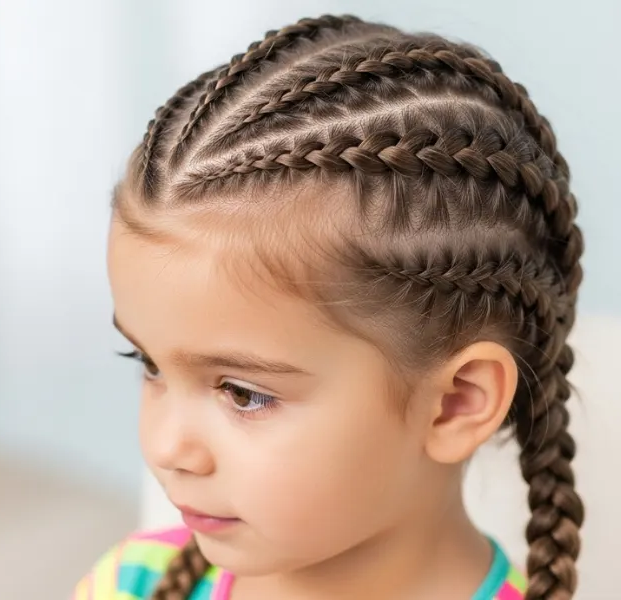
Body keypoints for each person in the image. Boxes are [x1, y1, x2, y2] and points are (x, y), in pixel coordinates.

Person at [72, 13, 585, 600]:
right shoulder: (132, 581)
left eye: (244, 393)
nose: (166, 448)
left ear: (455, 403)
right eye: (149, 364)